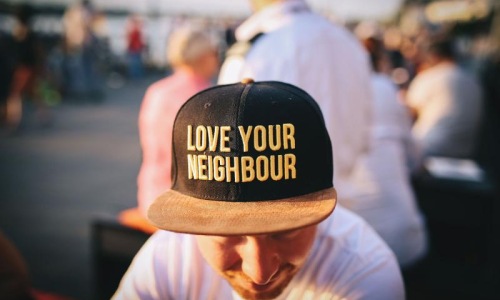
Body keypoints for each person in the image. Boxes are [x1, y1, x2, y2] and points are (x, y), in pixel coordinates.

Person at [113, 80, 405, 299]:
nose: (259, 272)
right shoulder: (169, 259)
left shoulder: (363, 270)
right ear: (192, 225)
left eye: (286, 231)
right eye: (225, 232)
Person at [218, 0, 373, 204]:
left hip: (279, 211)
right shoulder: (347, 41)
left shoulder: (257, 49)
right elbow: (367, 129)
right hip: (346, 201)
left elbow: (227, 146)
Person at [118, 27, 219, 233]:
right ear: (203, 56)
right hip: (185, 204)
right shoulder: (207, 98)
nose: (217, 59)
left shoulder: (156, 91)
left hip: (150, 194)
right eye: (215, 53)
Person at [345, 36, 428, 267]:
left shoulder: (333, 94)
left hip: (355, 252)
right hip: (406, 240)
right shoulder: (384, 87)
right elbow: (414, 157)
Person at [405, 36, 483, 159]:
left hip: (428, 148)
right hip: (465, 153)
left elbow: (408, 115)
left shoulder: (428, 77)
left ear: (433, 57)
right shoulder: (473, 80)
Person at [4, 5, 50, 132]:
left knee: (15, 95)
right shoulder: (31, 34)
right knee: (35, 94)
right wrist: (43, 66)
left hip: (23, 68)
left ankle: (14, 122)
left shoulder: (18, 32)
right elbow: (39, 52)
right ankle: (44, 118)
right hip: (32, 67)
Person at [126, 15, 145, 79]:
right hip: (136, 49)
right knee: (136, 63)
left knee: (135, 64)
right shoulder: (136, 30)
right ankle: (137, 76)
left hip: (135, 49)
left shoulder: (134, 31)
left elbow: (131, 40)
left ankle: (135, 76)